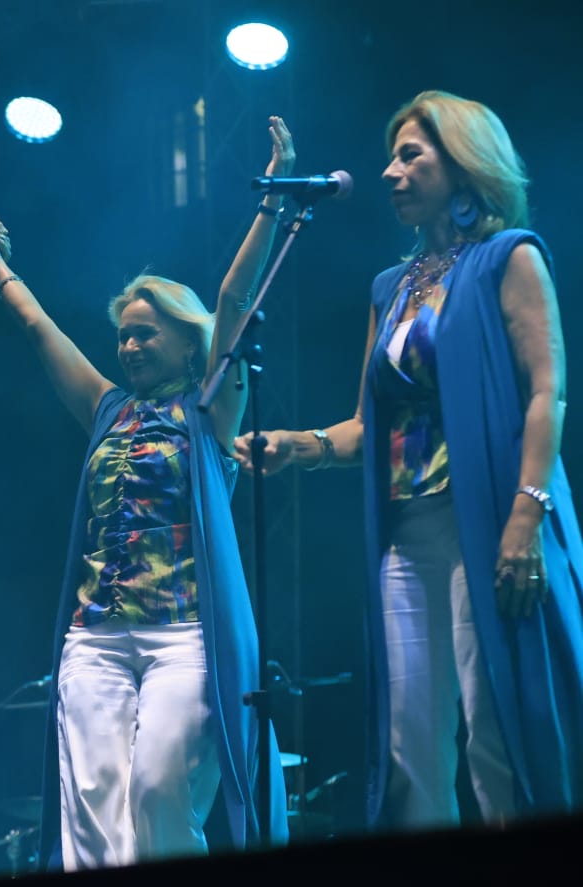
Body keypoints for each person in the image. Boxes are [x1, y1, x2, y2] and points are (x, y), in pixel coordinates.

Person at [237, 91, 582, 829]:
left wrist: (526, 517)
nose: (389, 173)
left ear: (462, 164)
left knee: (497, 727)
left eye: (409, 156)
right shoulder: (390, 289)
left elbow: (546, 392)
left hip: (490, 519)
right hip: (407, 535)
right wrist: (300, 446)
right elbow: (370, 427)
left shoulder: (509, 257)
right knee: (408, 744)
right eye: (390, 158)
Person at [0, 118, 295, 869]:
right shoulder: (106, 408)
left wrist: (273, 197)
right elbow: (38, 328)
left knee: (159, 790)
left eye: (145, 333)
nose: (128, 346)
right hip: (95, 635)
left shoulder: (212, 409)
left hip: (184, 632)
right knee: (93, 812)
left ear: (188, 341)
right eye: (122, 335)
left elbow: (234, 296)